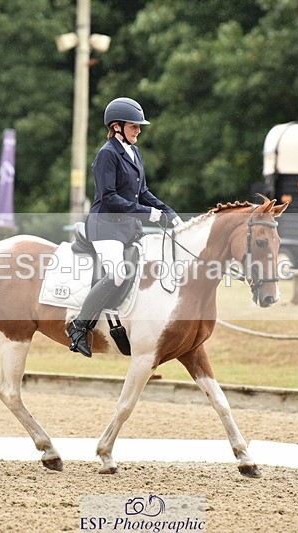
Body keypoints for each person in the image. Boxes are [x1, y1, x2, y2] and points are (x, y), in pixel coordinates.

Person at [66, 97, 182, 357]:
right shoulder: (107, 154)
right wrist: (147, 213)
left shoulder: (134, 152)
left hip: (127, 227)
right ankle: (79, 326)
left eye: (139, 126)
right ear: (116, 126)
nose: (138, 130)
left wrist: (167, 211)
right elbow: (109, 197)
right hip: (106, 226)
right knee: (118, 273)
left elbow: (143, 192)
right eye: (133, 126)